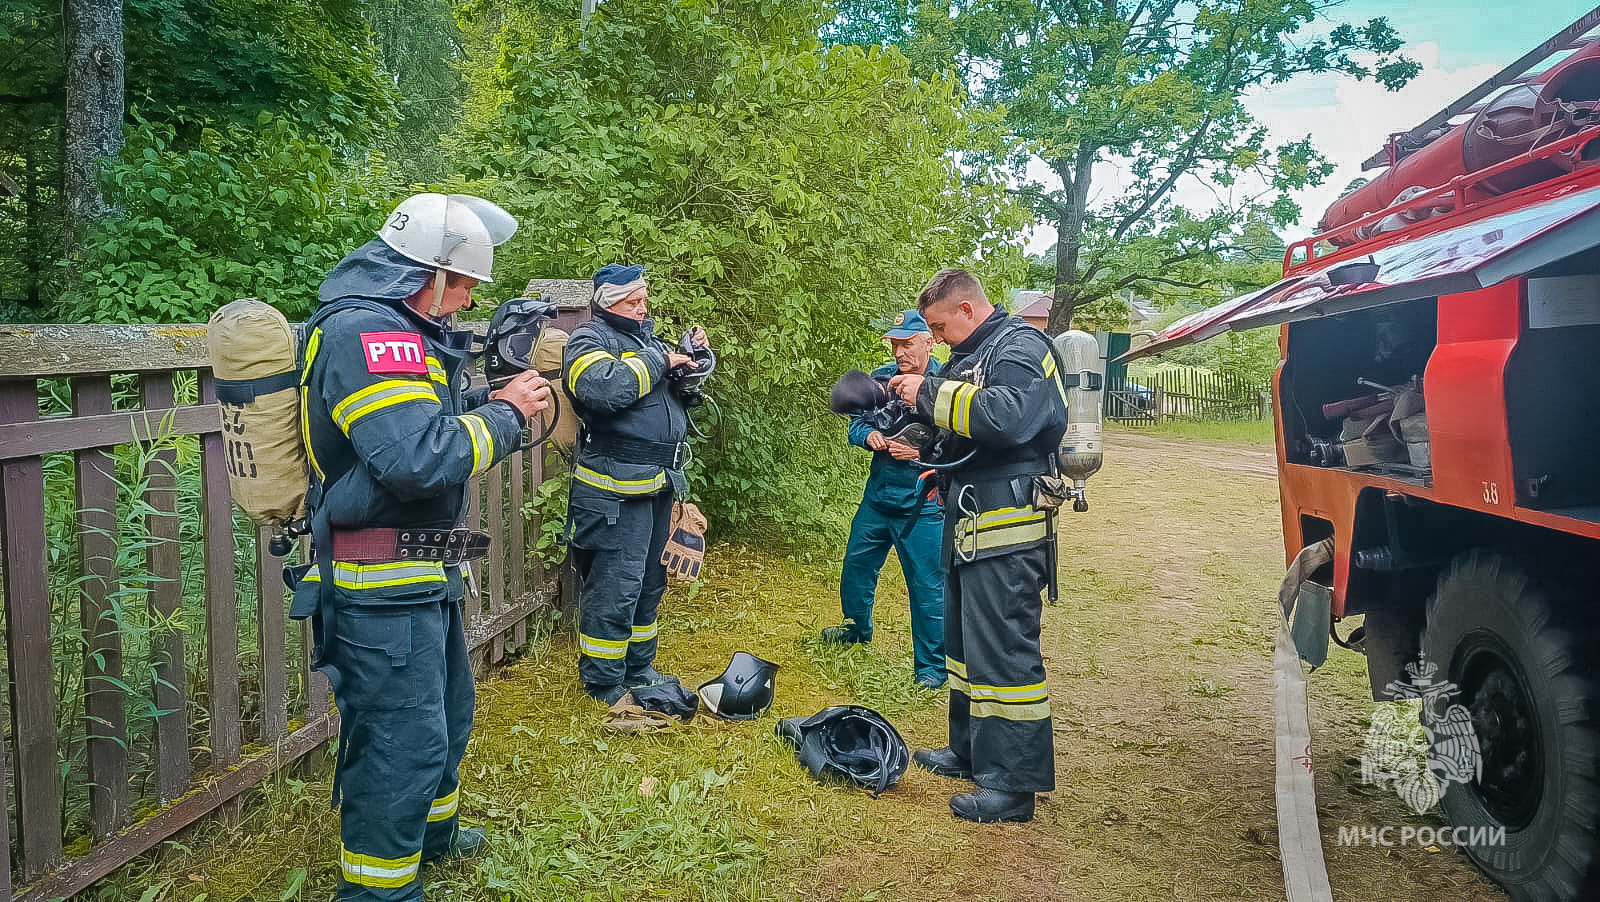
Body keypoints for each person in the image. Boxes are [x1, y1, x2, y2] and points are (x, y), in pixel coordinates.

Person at [293, 193, 552, 901]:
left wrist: (488, 403)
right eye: (465, 284)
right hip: (378, 583)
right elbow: (412, 461)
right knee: (400, 745)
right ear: (429, 272)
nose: (468, 301)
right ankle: (380, 890)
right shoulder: (369, 336)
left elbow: (421, 428)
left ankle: (432, 841)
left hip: (421, 573)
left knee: (444, 722)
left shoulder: (400, 332)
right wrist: (505, 415)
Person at [887, 268, 1068, 824]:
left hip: (1006, 531)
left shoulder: (1020, 348)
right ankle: (969, 752)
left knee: (1004, 656)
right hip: (968, 523)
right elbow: (959, 430)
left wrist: (930, 390)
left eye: (939, 327)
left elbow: (1007, 419)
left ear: (966, 309)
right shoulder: (976, 355)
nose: (936, 339)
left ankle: (1012, 786)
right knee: (964, 649)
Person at [563, 263, 710, 705]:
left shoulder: (647, 341)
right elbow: (602, 390)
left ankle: (639, 667)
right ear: (608, 302)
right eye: (633, 301)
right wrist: (661, 360)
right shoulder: (588, 340)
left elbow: (675, 397)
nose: (643, 308)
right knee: (615, 586)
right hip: (611, 490)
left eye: (644, 299)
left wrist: (692, 365)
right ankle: (604, 683)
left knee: (649, 582)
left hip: (657, 484)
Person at [823, 309, 947, 689]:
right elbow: (857, 423)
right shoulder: (880, 379)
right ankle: (855, 630)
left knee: (927, 586)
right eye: (895, 344)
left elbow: (964, 443)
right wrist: (868, 437)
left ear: (928, 340)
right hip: (878, 497)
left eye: (907, 343)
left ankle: (931, 668)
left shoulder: (947, 383)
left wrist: (924, 456)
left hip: (924, 503)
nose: (899, 351)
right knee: (856, 569)